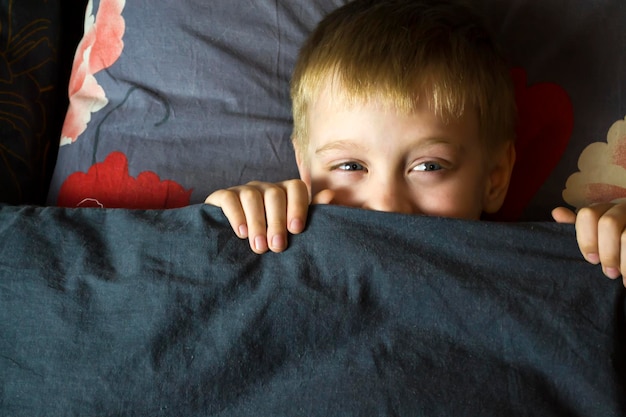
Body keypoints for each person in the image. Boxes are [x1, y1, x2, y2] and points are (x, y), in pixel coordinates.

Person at [205, 0, 626, 287]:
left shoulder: (549, 276)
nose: (387, 205)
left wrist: (613, 247)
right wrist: (228, 231)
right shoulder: (270, 249)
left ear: (495, 178)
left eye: (429, 166)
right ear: (304, 169)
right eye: (350, 166)